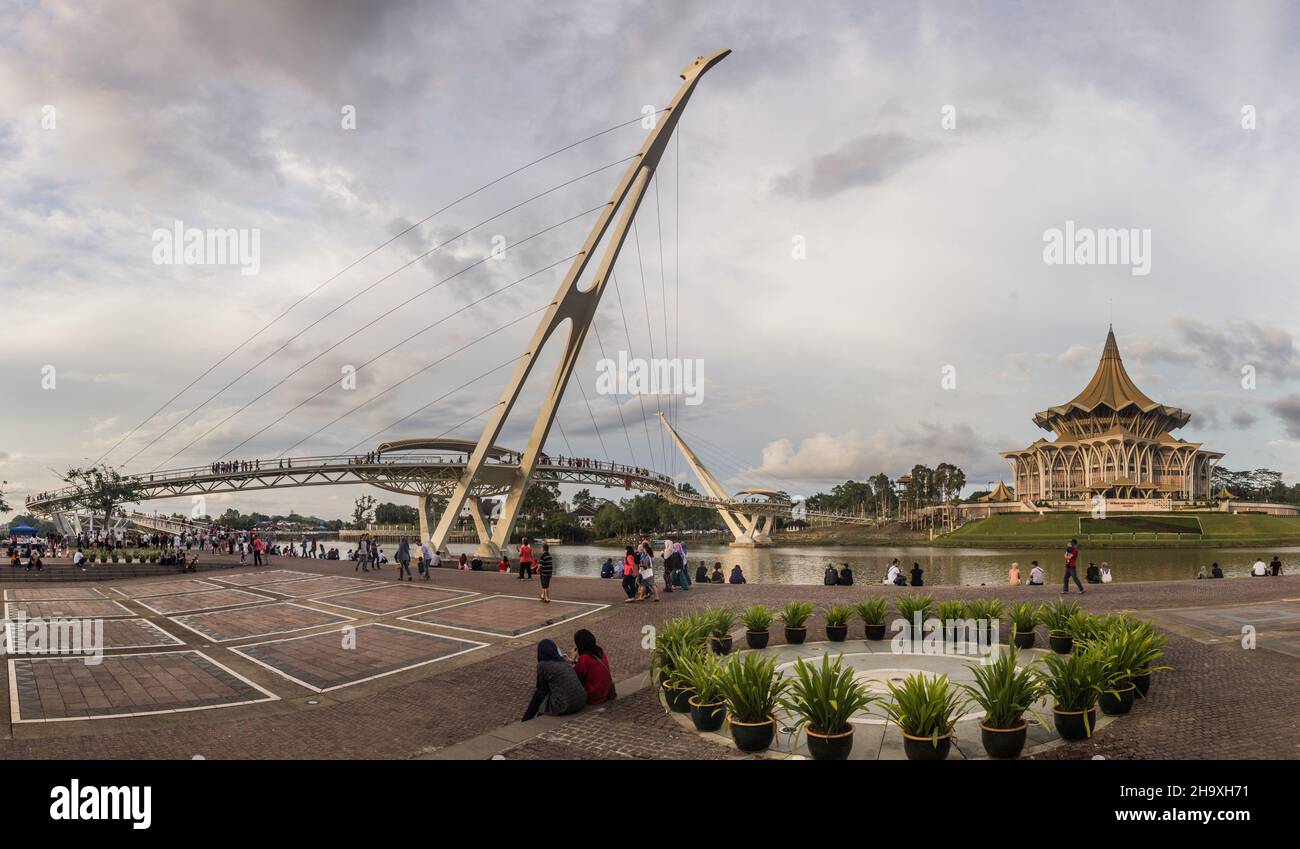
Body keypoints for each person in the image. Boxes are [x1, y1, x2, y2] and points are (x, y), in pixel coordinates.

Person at [521, 639, 587, 721]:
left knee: (538, 694)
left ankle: (527, 719)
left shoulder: (542, 665)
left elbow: (542, 688)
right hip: (581, 701)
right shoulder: (563, 662)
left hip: (566, 706)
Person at [571, 629, 613, 705]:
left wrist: (573, 660)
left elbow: (576, 677)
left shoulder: (584, 658)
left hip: (594, 695)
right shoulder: (600, 652)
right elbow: (592, 665)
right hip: (606, 692)